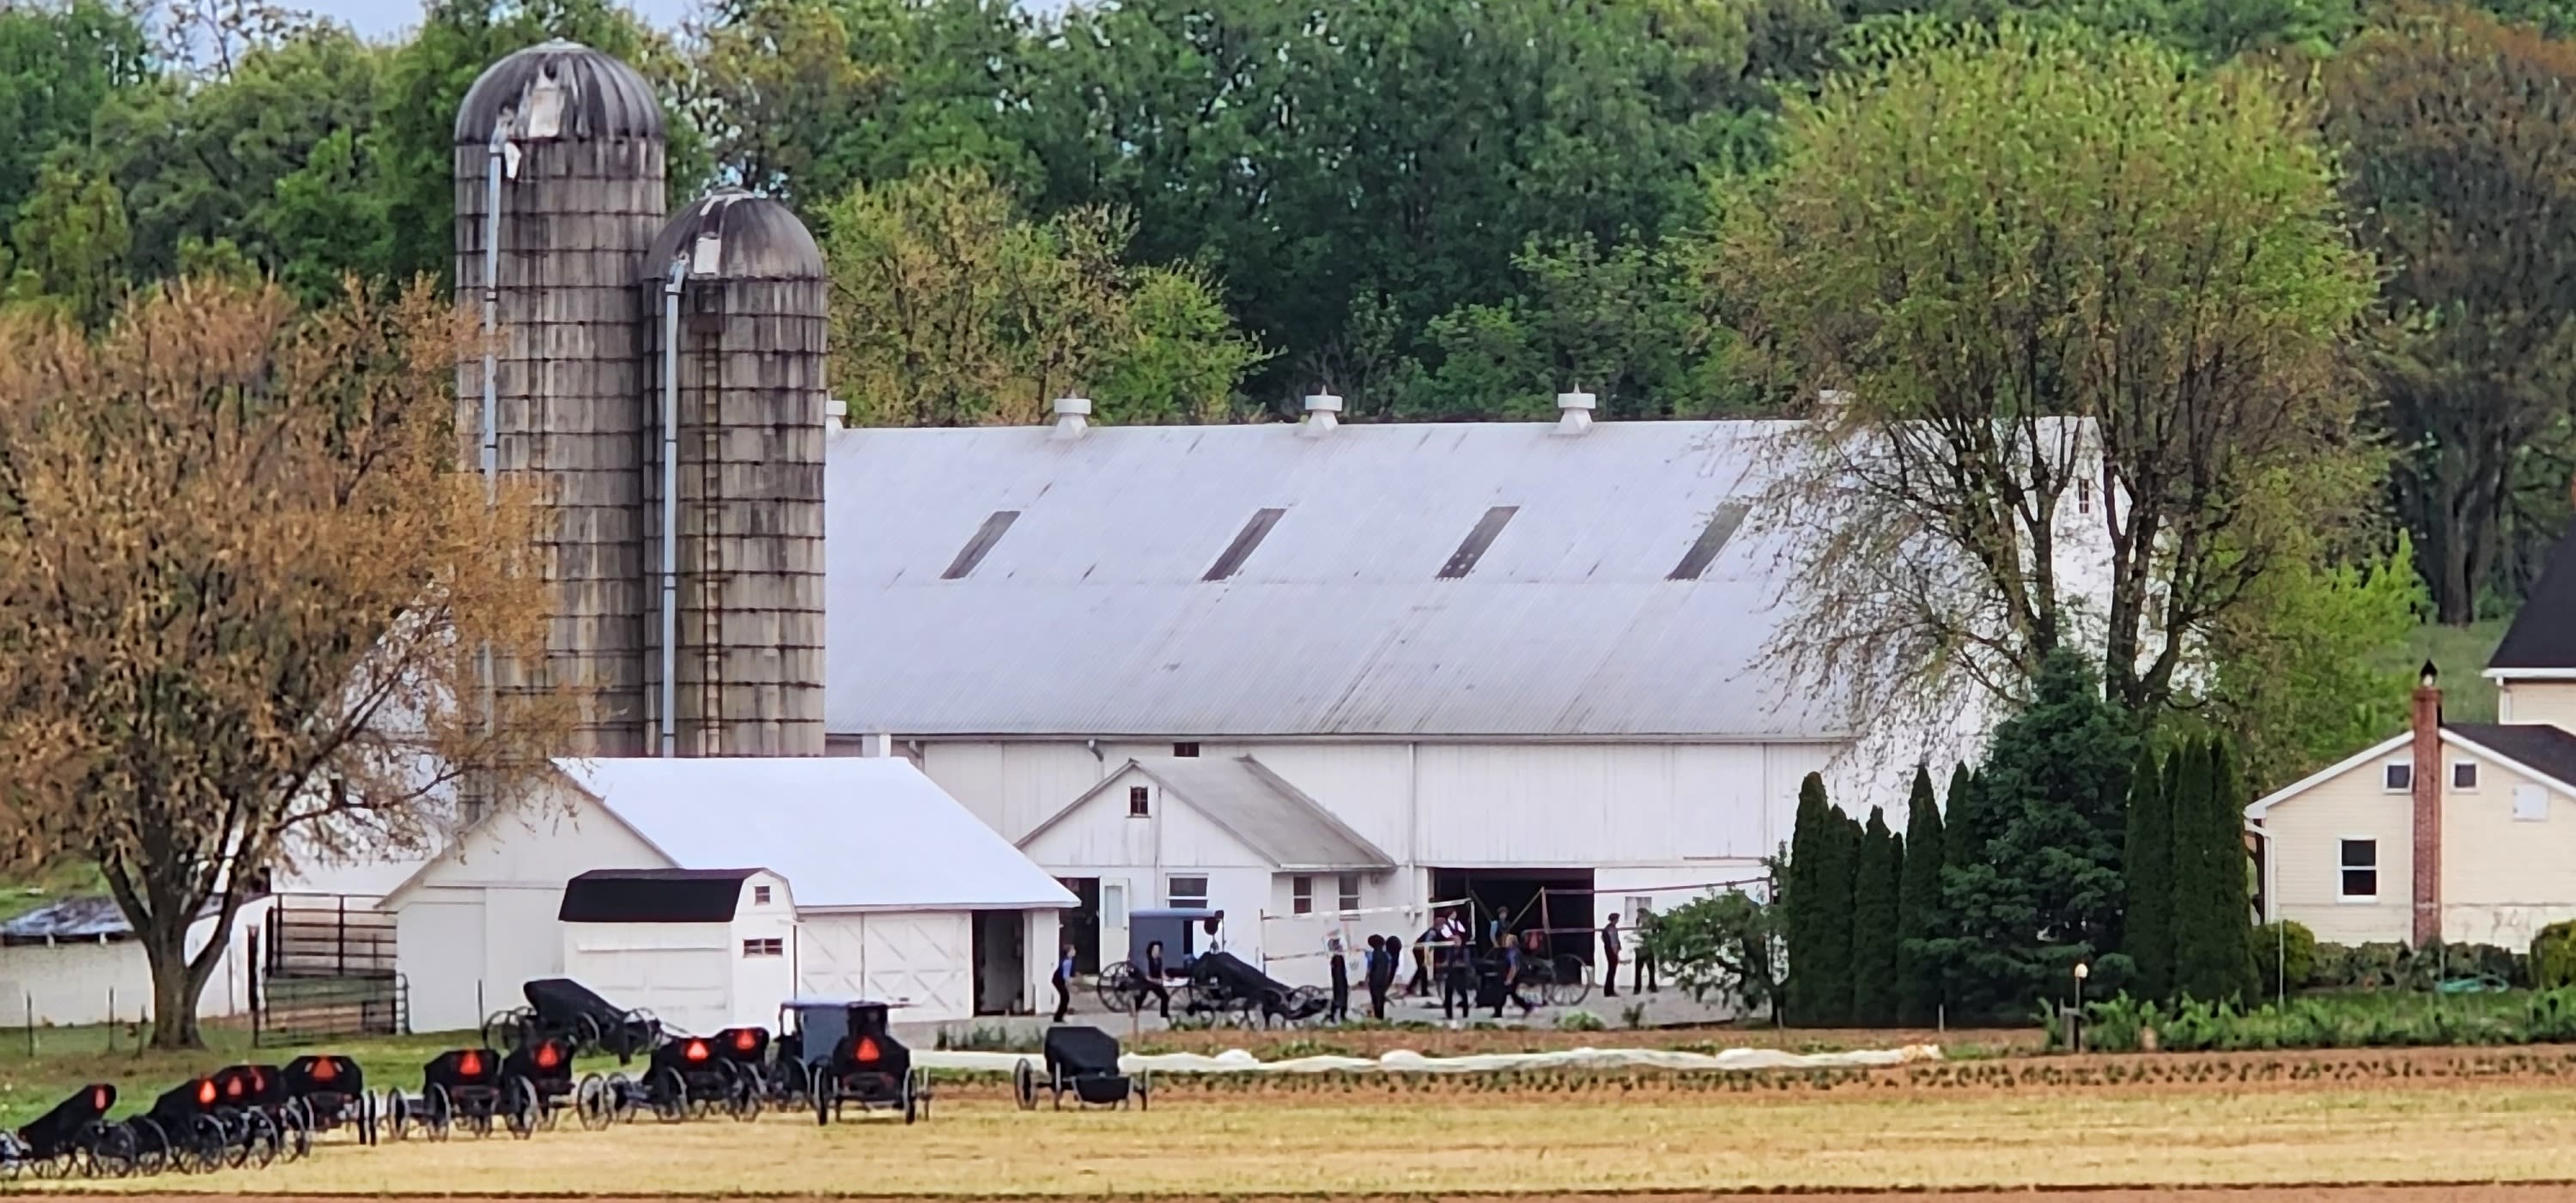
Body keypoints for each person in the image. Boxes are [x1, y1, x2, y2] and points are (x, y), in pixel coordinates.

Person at [1492, 932, 1535, 1018]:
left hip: (1513, 977)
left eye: (1507, 940)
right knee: (1511, 995)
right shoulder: (1511, 951)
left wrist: (1509, 979)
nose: (1505, 942)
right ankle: (1527, 1006)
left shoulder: (1512, 953)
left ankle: (1498, 1013)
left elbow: (1514, 967)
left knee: (1502, 995)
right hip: (1513, 977)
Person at [1142, 939, 1175, 1019]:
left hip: (1155, 982)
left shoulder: (1159, 960)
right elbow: (1146, 976)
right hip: (1147, 982)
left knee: (1165, 997)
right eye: (1155, 949)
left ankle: (1164, 1014)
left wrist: (1168, 979)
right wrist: (1156, 981)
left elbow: (1161, 973)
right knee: (1140, 997)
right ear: (1151, 950)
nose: (1157, 951)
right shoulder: (1147, 960)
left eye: (1158, 950)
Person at [1633, 903, 1660, 994]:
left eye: (1639, 914)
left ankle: (1651, 986)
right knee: (1640, 969)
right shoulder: (1639, 921)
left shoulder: (1650, 922)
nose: (1638, 916)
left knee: (1650, 968)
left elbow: (1654, 933)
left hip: (1646, 947)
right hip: (1641, 947)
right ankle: (1639, 988)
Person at [1326, 930, 1351, 1024]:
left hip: (1340, 979)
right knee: (1340, 995)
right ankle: (1337, 1016)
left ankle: (1339, 1016)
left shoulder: (1337, 958)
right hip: (1339, 980)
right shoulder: (1337, 959)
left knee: (1341, 995)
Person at [1364, 935, 1390, 1020]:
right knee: (1381, 997)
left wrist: (1366, 979)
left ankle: (1377, 1016)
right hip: (1383, 979)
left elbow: (1369, 968)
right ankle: (1381, 1016)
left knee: (1375, 998)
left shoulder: (1371, 955)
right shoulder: (1387, 955)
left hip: (1374, 979)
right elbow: (1389, 967)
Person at [1052, 942, 1076, 1023]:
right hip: (1058, 980)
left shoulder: (1069, 960)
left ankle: (1058, 1017)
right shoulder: (1067, 961)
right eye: (1073, 949)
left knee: (1065, 998)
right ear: (1069, 952)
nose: (1075, 951)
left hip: (1059, 980)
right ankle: (1058, 1017)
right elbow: (1066, 977)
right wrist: (1071, 987)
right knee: (1065, 997)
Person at [1601, 913, 1622, 999]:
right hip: (1612, 952)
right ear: (1615, 919)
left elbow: (1602, 938)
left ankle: (1608, 990)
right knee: (1612, 971)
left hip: (1608, 951)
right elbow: (1614, 943)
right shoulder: (1612, 929)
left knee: (1610, 971)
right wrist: (1616, 952)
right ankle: (1610, 991)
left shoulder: (1606, 928)